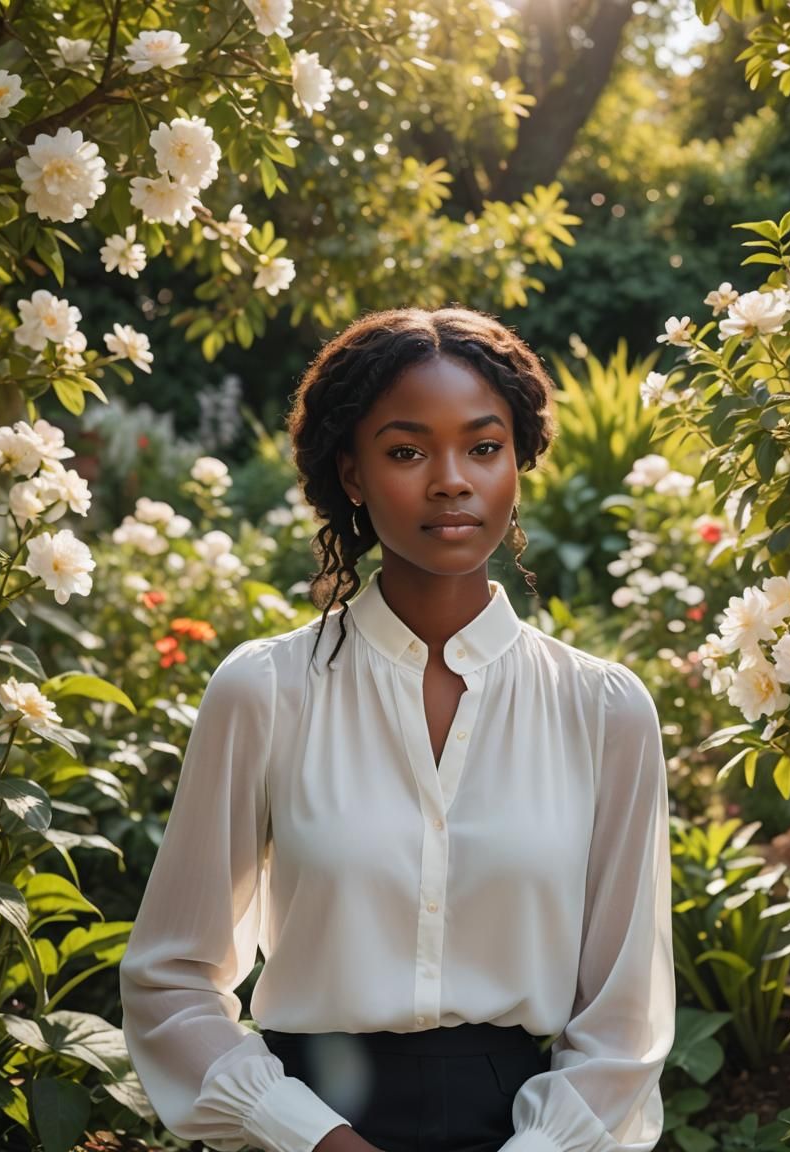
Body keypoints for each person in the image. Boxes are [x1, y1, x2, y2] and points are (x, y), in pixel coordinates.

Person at [119, 306, 676, 1152]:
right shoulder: (265, 691)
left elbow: (623, 1018)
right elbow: (171, 980)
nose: (451, 480)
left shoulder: (604, 711)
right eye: (407, 451)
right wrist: (308, 1135)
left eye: (484, 447)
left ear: (517, 463)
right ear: (352, 472)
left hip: (525, 1132)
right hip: (304, 1126)